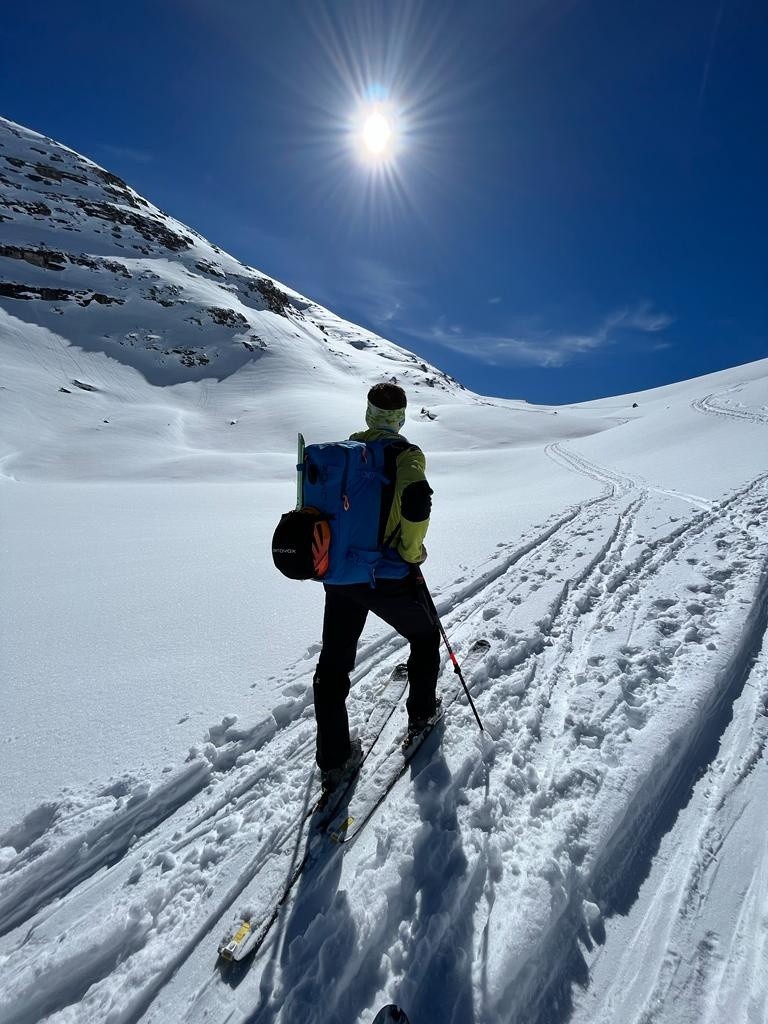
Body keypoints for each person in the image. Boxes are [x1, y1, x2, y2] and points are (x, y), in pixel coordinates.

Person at [313, 382, 441, 794]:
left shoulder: (346, 453)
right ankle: (421, 715)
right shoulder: (407, 454)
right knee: (424, 636)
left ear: (368, 415)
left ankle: (334, 760)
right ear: (401, 418)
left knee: (333, 665)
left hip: (340, 576)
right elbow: (416, 500)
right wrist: (411, 551)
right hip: (387, 574)